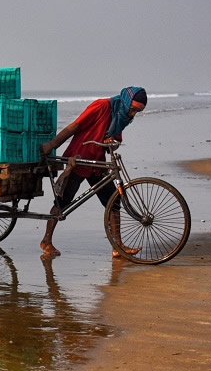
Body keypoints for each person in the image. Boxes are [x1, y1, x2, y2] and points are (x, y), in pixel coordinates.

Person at [39, 86, 147, 258]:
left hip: (97, 164)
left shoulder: (121, 116)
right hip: (78, 159)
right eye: (133, 109)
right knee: (62, 202)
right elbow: (75, 126)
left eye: (137, 112)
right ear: (127, 102)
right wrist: (52, 145)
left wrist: (112, 142)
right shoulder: (101, 106)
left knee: (113, 200)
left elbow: (116, 139)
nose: (133, 114)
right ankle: (46, 241)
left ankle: (118, 246)